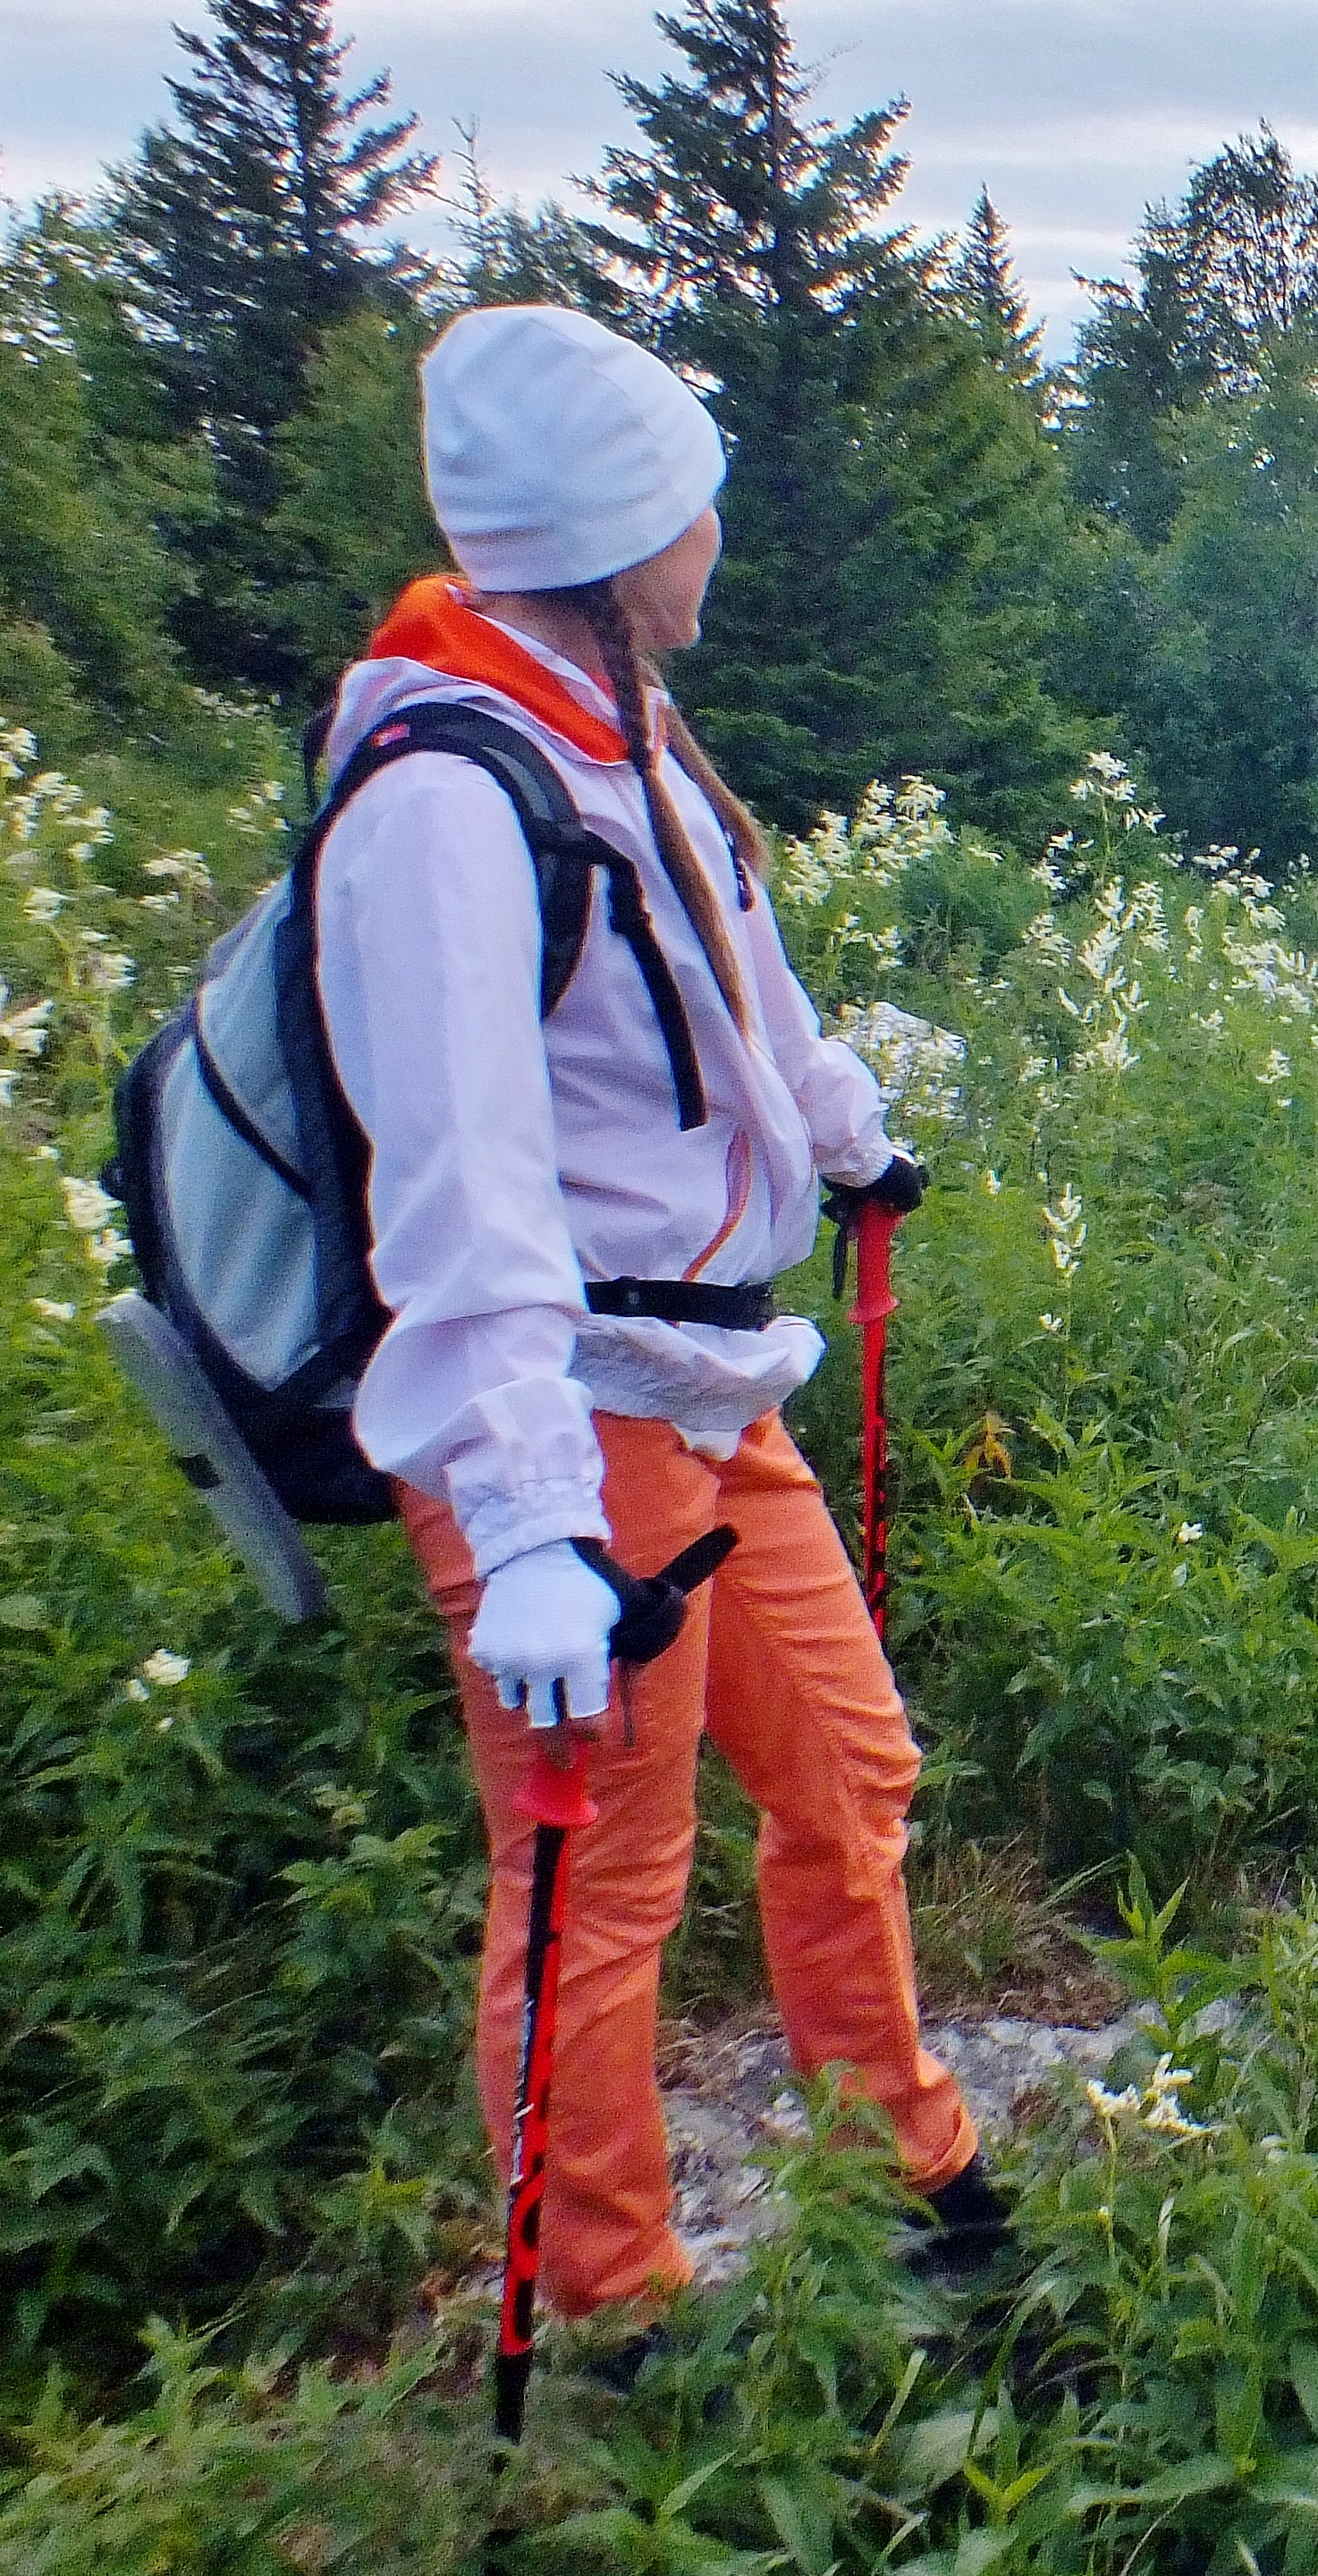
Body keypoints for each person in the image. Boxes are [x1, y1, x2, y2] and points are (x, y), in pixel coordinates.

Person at [317, 302, 1002, 2340]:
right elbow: (455, 1177)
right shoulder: (448, 792)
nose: (720, 537)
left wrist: (844, 1139)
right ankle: (607, 2301)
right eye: (696, 504)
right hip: (577, 1404)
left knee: (852, 1768)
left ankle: (903, 2161)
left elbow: (735, 999)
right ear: (621, 539)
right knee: (604, 1873)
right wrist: (523, 1515)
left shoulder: (616, 733)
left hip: (711, 1373)